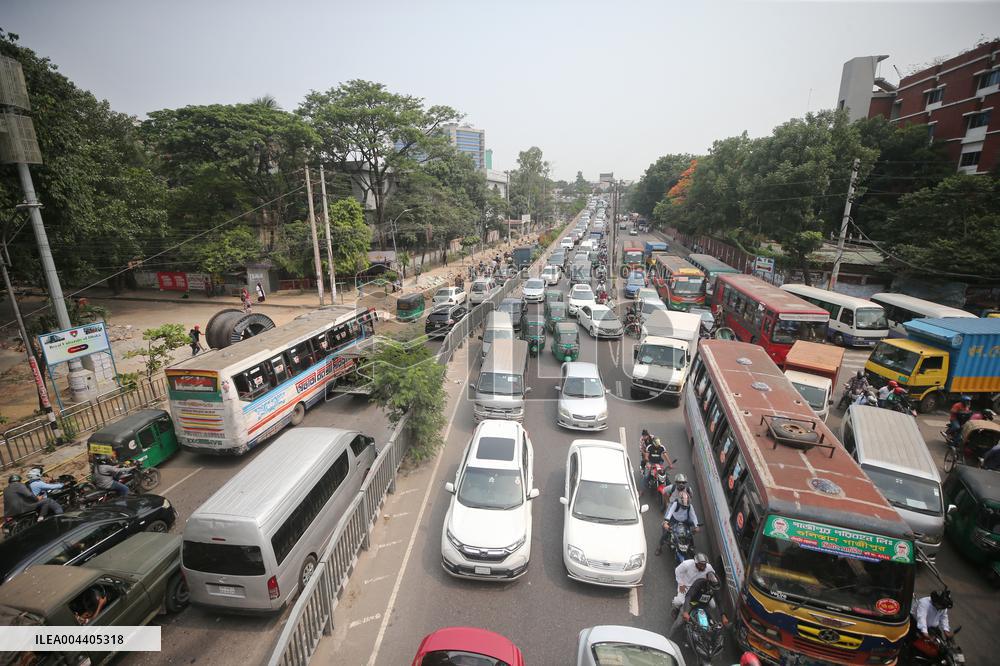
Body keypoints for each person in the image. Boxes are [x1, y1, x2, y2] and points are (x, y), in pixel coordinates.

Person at [669, 570, 727, 639]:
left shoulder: (715, 588)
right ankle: (670, 637)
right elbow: (689, 596)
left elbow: (719, 601)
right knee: (679, 622)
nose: (712, 590)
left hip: (704, 606)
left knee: (713, 624)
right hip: (692, 603)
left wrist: (723, 615)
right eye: (711, 588)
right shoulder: (699, 583)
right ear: (707, 582)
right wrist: (686, 612)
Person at [909, 590, 953, 657]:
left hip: (932, 628)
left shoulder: (943, 606)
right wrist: (926, 634)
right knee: (914, 645)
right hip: (916, 625)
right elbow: (922, 618)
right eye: (941, 607)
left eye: (943, 607)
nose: (942, 609)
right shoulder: (924, 603)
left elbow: (944, 617)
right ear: (935, 601)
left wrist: (946, 630)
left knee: (941, 647)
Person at [657, 491, 700, 556]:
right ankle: (659, 547)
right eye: (683, 506)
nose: (684, 507)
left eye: (686, 506)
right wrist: (666, 522)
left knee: (689, 535)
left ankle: (691, 548)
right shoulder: (675, 504)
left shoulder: (690, 506)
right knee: (666, 533)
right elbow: (670, 512)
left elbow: (693, 516)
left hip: (685, 521)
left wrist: (697, 526)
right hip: (674, 520)